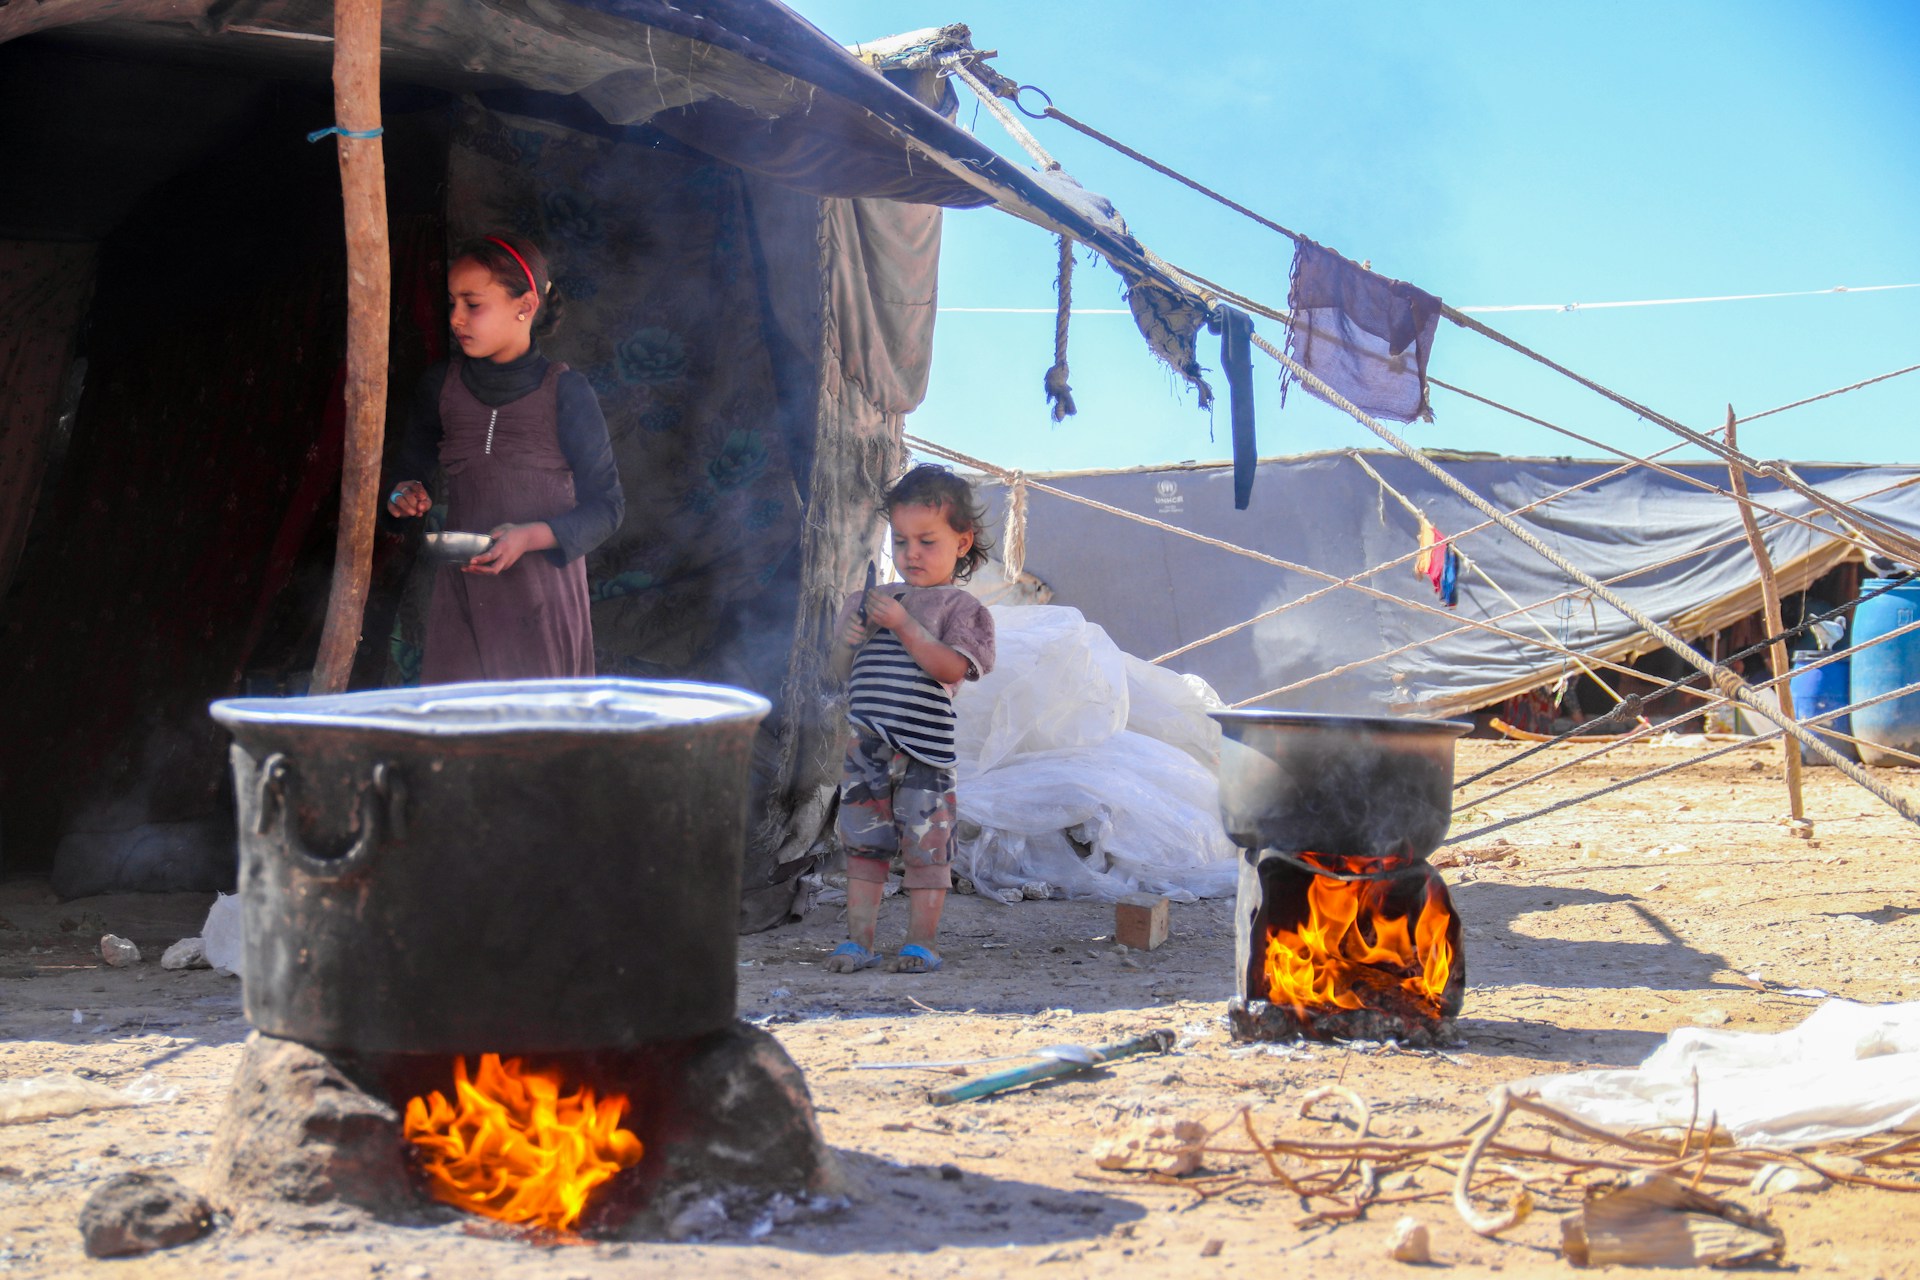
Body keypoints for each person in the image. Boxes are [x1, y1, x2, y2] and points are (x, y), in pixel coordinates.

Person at [386, 233, 623, 683]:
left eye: (473, 304)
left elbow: (608, 508)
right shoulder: (441, 386)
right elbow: (408, 471)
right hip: (464, 597)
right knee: (459, 736)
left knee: (529, 739)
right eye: (452, 302)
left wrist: (531, 536)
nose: (456, 318)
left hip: (542, 601)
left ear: (526, 305)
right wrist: (403, 493)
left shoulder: (567, 394)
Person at [825, 465, 996, 975]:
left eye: (927, 540)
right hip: (866, 748)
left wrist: (904, 626)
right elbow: (839, 673)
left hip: (925, 754)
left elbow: (951, 668)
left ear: (962, 542)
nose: (911, 554)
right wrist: (846, 643)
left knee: (926, 851)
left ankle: (921, 943)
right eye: (900, 541)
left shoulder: (960, 607)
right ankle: (860, 941)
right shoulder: (866, 602)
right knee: (863, 844)